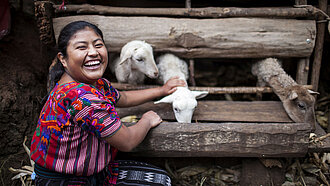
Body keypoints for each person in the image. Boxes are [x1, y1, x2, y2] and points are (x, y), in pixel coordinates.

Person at [30, 20, 186, 186]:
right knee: (161, 183)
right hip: (65, 181)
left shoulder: (90, 84)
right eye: (82, 47)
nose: (93, 52)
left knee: (161, 179)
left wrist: (161, 90)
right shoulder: (83, 99)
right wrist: (147, 121)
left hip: (89, 171)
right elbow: (127, 141)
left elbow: (123, 98)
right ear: (63, 59)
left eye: (98, 45)